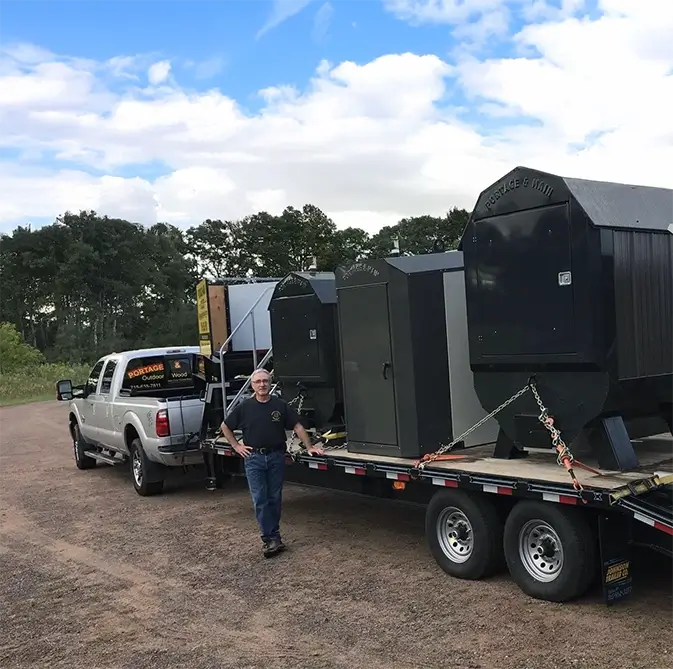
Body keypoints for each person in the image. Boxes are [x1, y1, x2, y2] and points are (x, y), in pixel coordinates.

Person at [220, 368, 324, 557]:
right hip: (253, 459)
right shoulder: (245, 407)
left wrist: (309, 446)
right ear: (252, 385)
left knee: (274, 498)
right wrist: (236, 446)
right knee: (260, 499)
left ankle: (274, 536)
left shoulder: (280, 405)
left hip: (276, 457)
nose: (262, 385)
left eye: (265, 381)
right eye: (258, 381)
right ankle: (269, 539)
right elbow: (225, 426)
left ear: (270, 383)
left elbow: (297, 426)